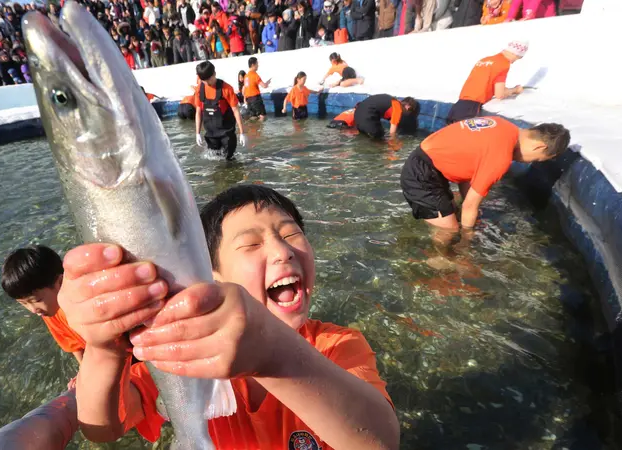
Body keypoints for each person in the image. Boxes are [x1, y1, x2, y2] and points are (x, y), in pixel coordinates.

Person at [56, 184, 400, 448]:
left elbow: (381, 440)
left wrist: (274, 355)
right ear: (213, 278)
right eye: (251, 244)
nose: (282, 251)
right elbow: (102, 426)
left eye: (291, 233)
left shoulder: (338, 346)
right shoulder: (181, 357)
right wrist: (105, 349)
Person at [400, 117, 570, 236]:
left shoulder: (502, 125)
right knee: (449, 233)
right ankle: (436, 275)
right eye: (538, 159)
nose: (530, 162)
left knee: (453, 214)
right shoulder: (501, 156)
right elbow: (469, 207)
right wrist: (466, 241)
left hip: (427, 164)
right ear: (538, 147)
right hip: (421, 174)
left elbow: (469, 169)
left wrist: (469, 209)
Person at [1, 245, 85, 388]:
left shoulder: (84, 305)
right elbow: (74, 345)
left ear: (60, 282)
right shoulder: (49, 312)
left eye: (37, 300)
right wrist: (84, 371)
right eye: (23, 303)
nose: (33, 310)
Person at [446, 40, 528, 124]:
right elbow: (499, 94)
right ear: (515, 53)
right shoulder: (503, 64)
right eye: (518, 58)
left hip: (458, 106)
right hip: (471, 108)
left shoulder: (485, 60)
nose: (514, 62)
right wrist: (515, 90)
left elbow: (483, 82)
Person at [194, 61, 246, 161]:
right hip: (211, 134)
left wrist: (242, 132)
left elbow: (236, 111)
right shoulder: (199, 90)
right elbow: (198, 111)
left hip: (227, 134)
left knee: (229, 161)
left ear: (214, 73)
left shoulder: (226, 89)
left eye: (210, 79)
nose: (208, 83)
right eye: (204, 81)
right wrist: (197, 133)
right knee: (214, 160)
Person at [353, 94, 418, 141]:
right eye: (410, 112)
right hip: (367, 118)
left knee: (366, 137)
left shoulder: (392, 101)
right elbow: (392, 133)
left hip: (357, 115)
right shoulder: (397, 108)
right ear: (408, 107)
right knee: (379, 139)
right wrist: (393, 145)